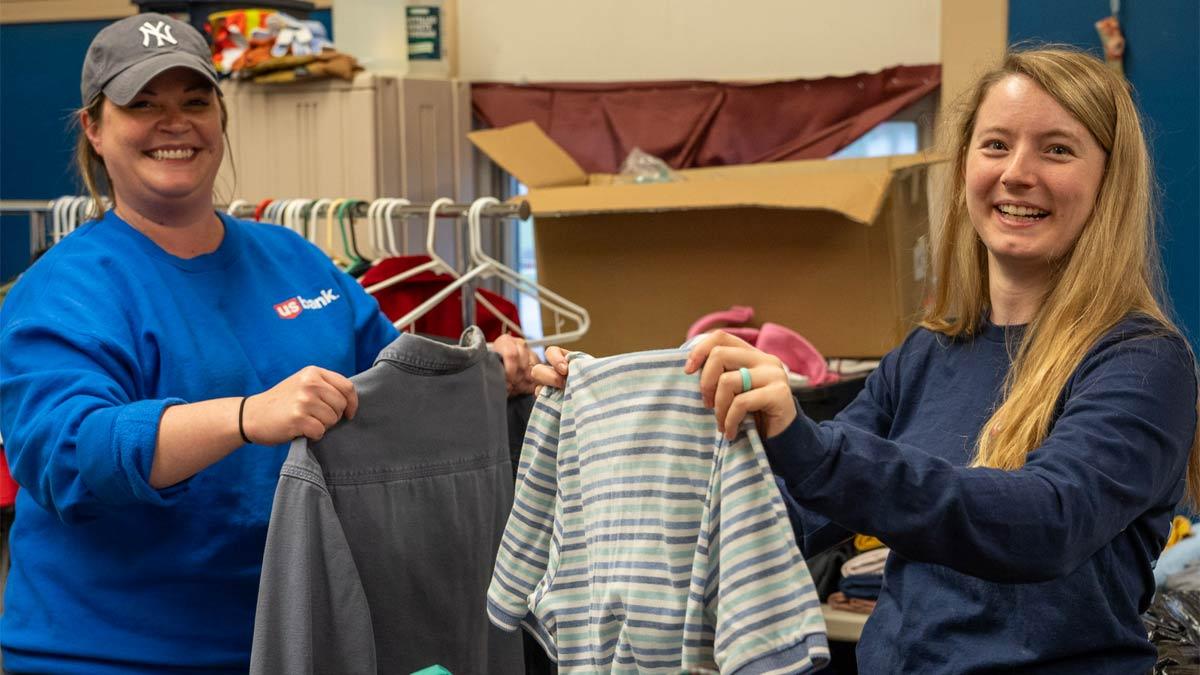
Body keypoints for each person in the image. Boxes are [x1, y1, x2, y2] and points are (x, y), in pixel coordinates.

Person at [535, 47, 1199, 673]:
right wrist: (630, 420)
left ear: (1109, 183)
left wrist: (810, 443)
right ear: (967, 164)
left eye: (1057, 149)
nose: (1017, 172)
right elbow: (793, 513)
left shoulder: (1142, 362)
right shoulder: (927, 353)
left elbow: (1045, 521)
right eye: (995, 144)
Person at [0, 13, 538, 674]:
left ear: (221, 120)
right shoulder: (65, 289)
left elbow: (389, 393)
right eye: (143, 104)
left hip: (300, 640)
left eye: (195, 101)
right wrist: (247, 416)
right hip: (114, 655)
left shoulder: (295, 261)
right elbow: (69, 456)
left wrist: (480, 375)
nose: (175, 122)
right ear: (94, 127)